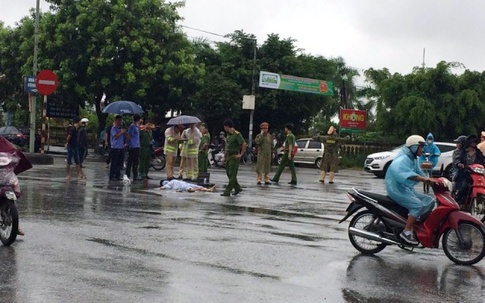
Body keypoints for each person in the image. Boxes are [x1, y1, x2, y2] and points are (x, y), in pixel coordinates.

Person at [385, 135, 436, 245]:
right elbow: (403, 173)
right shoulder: (402, 159)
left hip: (406, 189)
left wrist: (432, 180)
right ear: (414, 147)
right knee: (417, 205)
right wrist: (423, 179)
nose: (423, 150)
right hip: (397, 190)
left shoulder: (413, 159)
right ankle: (406, 232)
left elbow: (419, 172)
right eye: (421, 147)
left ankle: (416, 223)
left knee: (429, 201)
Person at [454, 135, 485, 205]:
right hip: (465, 174)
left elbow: (483, 161)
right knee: (464, 186)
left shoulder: (478, 153)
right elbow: (457, 159)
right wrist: (459, 164)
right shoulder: (463, 152)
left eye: (475, 142)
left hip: (477, 174)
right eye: (472, 142)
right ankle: (458, 202)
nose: (474, 143)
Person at [220, 119, 246, 196]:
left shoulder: (237, 134)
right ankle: (237, 187)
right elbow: (227, 147)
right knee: (229, 173)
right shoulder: (228, 135)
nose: (224, 129)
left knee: (232, 174)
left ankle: (227, 191)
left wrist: (241, 154)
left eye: (225, 127)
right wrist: (224, 157)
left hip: (234, 156)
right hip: (229, 156)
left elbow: (243, 144)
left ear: (227, 126)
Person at [125, 114, 141, 180]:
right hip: (132, 146)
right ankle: (127, 174)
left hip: (137, 146)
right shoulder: (132, 126)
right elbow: (129, 136)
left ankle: (135, 175)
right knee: (130, 161)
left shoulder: (137, 127)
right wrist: (127, 143)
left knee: (136, 161)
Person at [109, 115, 126, 180]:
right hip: (115, 148)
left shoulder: (121, 128)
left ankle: (117, 175)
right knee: (114, 162)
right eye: (118, 120)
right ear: (115, 121)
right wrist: (121, 132)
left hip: (121, 147)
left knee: (120, 162)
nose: (120, 122)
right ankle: (112, 175)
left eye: (120, 120)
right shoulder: (113, 128)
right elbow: (115, 136)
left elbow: (123, 138)